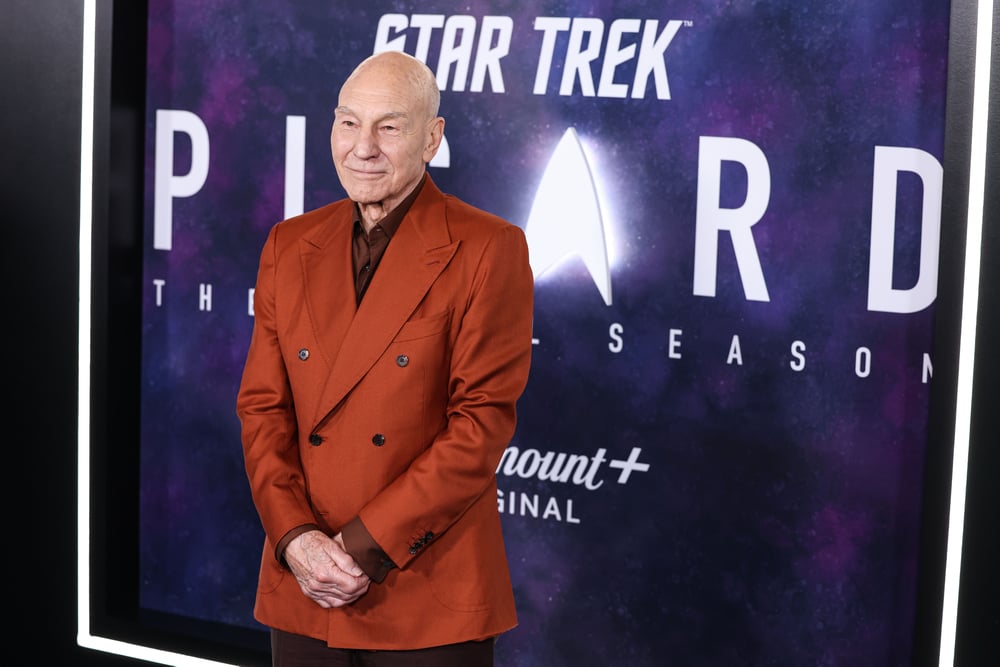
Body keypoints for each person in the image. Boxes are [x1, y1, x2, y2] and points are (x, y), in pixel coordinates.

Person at [235, 50, 534, 666]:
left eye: (389, 127)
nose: (362, 147)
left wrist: (360, 548)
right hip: (305, 583)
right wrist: (296, 538)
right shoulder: (289, 244)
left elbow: (479, 427)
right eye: (348, 123)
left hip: (423, 592)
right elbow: (263, 409)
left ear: (432, 139)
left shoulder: (488, 247)